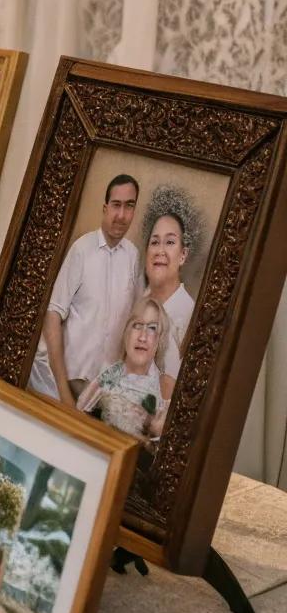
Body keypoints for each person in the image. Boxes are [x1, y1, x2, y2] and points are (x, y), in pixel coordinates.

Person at [29, 174, 140, 406]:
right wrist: (64, 394)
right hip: (61, 383)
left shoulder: (133, 256)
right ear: (105, 208)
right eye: (116, 205)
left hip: (100, 392)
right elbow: (53, 315)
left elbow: (130, 322)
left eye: (129, 206)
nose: (121, 215)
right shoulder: (82, 249)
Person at [77, 295, 170, 440]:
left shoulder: (165, 391)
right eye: (137, 325)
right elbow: (79, 424)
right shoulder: (103, 379)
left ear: (160, 340)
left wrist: (156, 433)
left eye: (152, 328)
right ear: (127, 333)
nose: (143, 337)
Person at [141, 194, 197, 402]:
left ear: (183, 255)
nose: (160, 251)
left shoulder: (189, 315)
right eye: (155, 242)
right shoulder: (139, 300)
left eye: (170, 242)